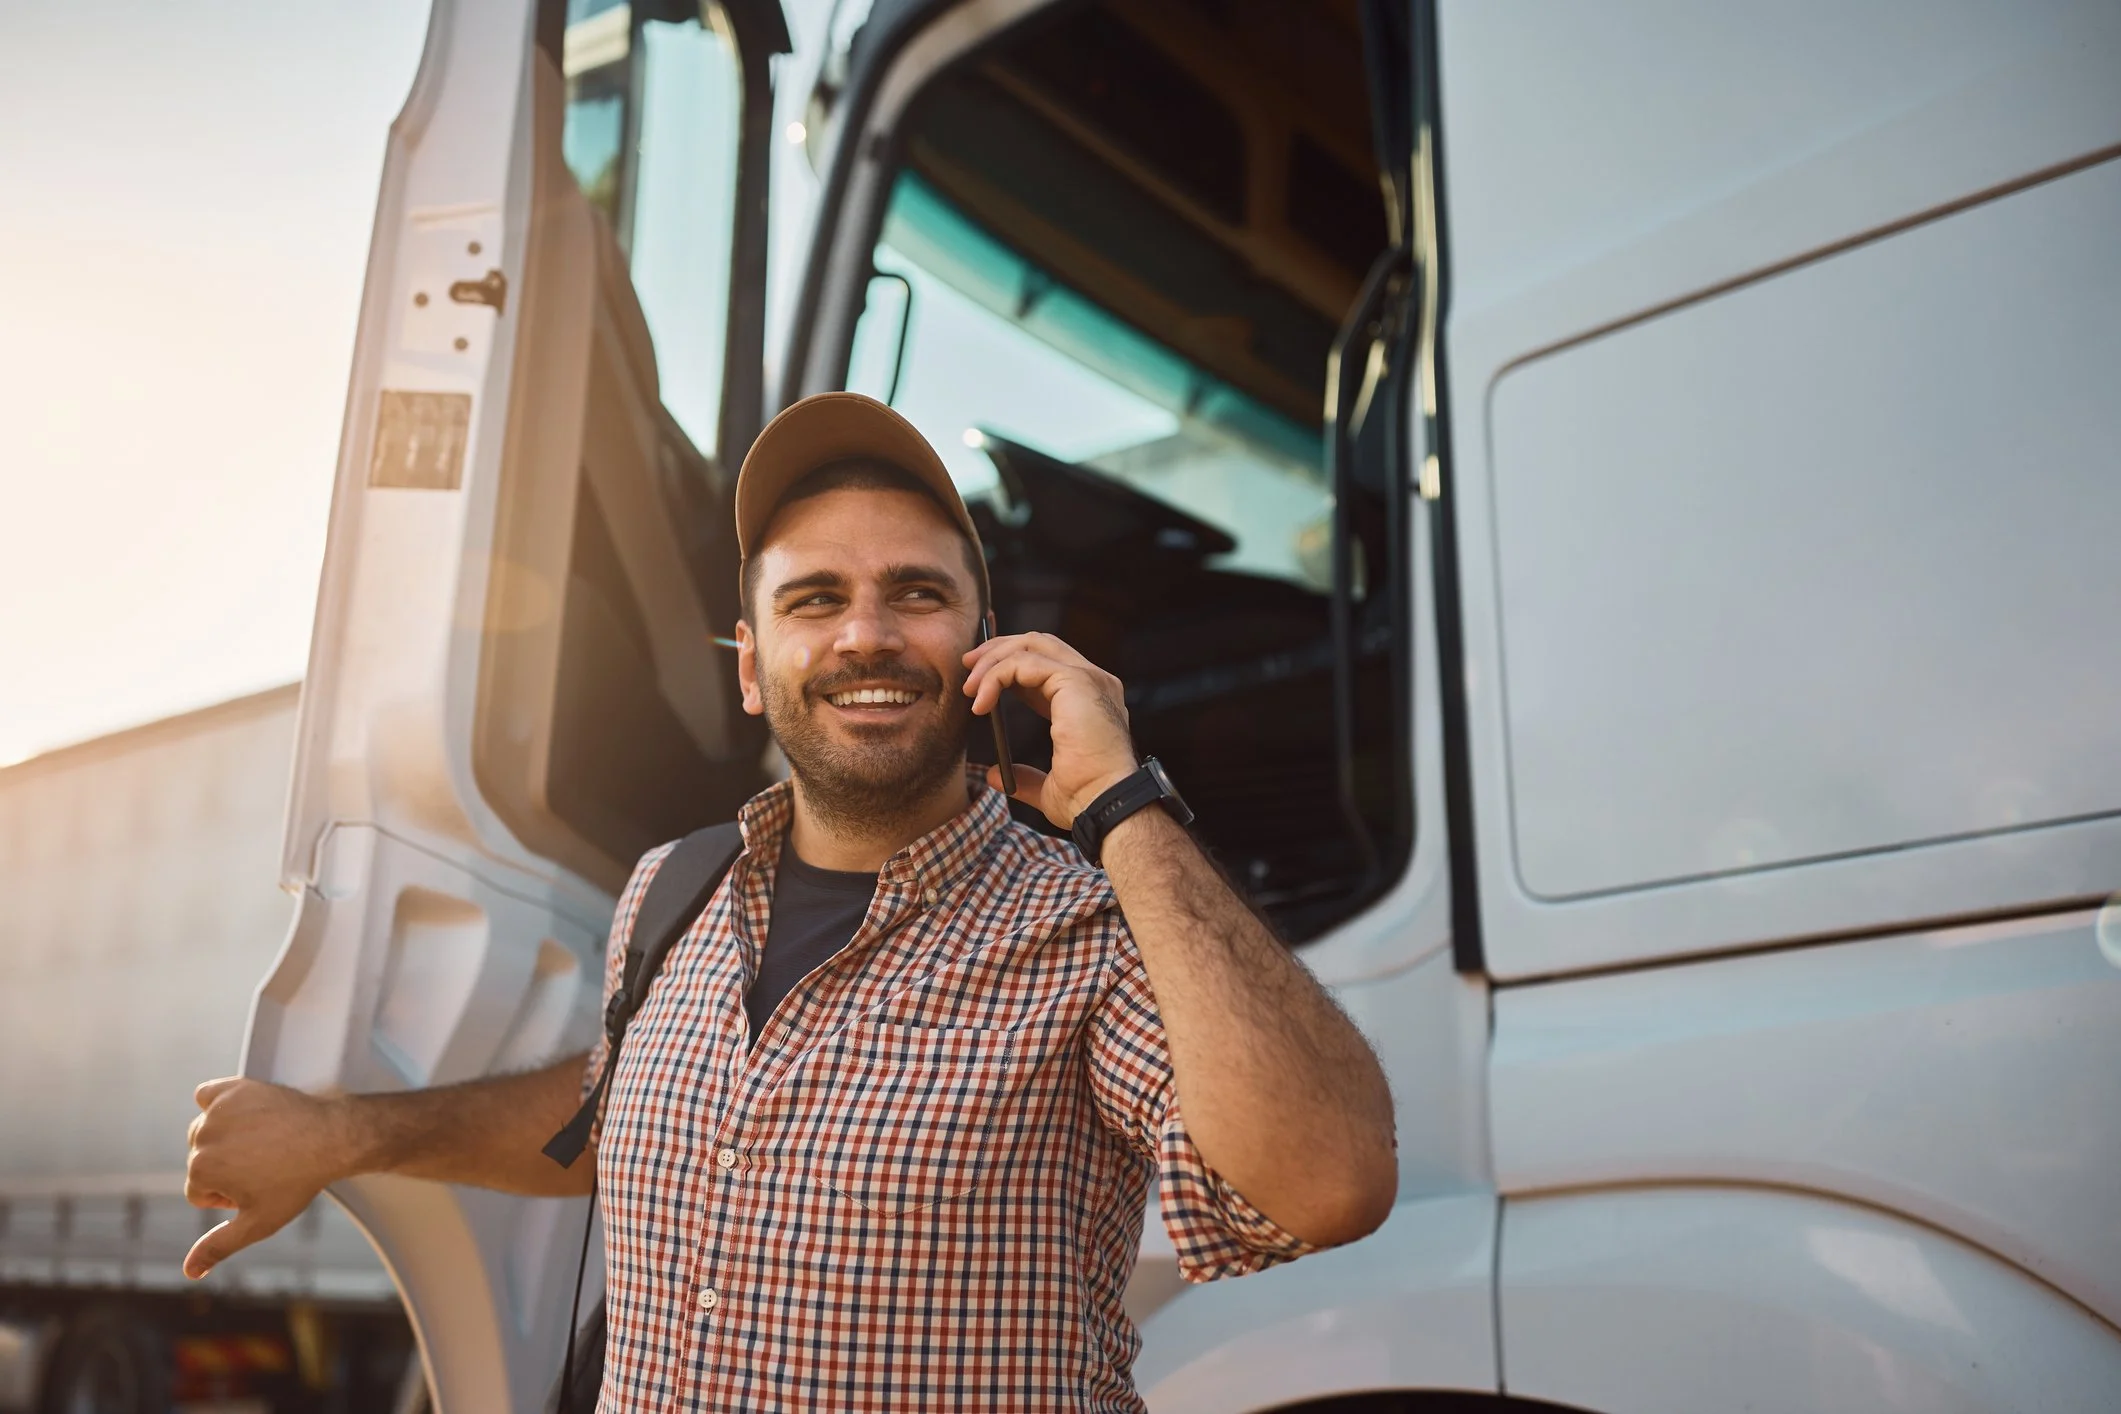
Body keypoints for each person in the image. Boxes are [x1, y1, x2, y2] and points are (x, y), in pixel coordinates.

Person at [184, 393, 1397, 1411]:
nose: (866, 634)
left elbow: (1332, 1183)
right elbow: (616, 1115)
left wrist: (1126, 805)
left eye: (916, 594)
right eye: (814, 600)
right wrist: (341, 1135)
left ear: (986, 645)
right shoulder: (674, 887)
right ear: (755, 668)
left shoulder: (1089, 930)